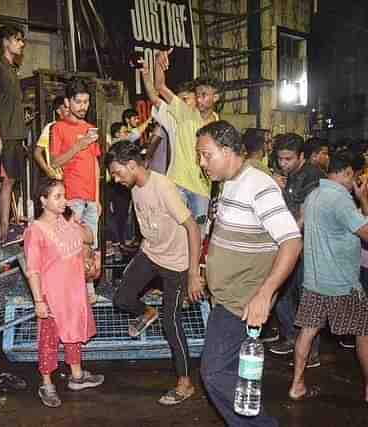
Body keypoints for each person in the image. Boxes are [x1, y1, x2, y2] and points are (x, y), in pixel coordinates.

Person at [196, 121, 302, 426]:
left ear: (228, 151)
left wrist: (265, 293)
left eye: (207, 155)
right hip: (226, 296)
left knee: (214, 372)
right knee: (228, 377)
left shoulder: (259, 185)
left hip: (243, 302)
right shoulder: (228, 180)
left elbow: (292, 242)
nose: (202, 164)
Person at [106, 140, 202, 406]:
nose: (115, 179)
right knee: (122, 298)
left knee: (171, 323)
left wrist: (193, 273)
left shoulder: (163, 188)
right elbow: (149, 224)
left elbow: (193, 228)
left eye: (117, 172)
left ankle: (185, 384)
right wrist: (136, 252)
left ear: (132, 165)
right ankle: (147, 312)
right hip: (151, 253)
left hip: (177, 264)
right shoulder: (135, 187)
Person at [289, 151, 368, 403]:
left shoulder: (314, 195)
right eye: (353, 176)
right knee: (363, 334)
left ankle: (297, 385)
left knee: (307, 333)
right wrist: (363, 199)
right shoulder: (341, 200)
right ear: (346, 173)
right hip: (342, 284)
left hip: (314, 281)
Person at [23, 179, 104, 408]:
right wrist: (39, 300)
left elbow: (89, 238)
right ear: (43, 200)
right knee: (48, 341)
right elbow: (33, 270)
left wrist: (76, 222)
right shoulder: (35, 231)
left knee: (74, 333)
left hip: (74, 291)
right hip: (52, 295)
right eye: (57, 196)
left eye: (64, 195)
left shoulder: (68, 220)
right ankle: (47, 384)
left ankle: (77, 376)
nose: (64, 201)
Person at [269, 133, 325, 362]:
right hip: (289, 242)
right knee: (282, 293)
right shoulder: (287, 174)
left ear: (301, 156)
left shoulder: (312, 176)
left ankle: (310, 350)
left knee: (306, 297)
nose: (283, 164)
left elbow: (304, 215)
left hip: (306, 245)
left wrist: (288, 239)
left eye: (288, 159)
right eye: (280, 159)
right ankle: (292, 337)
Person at [148, 50, 220, 226]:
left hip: (203, 189)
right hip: (178, 184)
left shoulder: (219, 123)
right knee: (176, 233)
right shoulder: (184, 112)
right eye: (198, 95)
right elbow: (160, 86)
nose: (200, 99)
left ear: (216, 97)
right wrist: (158, 63)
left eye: (204, 95)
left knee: (200, 234)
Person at [51, 78, 101, 303]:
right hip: (72, 196)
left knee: (91, 245)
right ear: (67, 102)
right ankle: (70, 292)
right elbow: (54, 161)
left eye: (86, 102)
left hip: (91, 197)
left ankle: (89, 292)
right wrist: (77, 146)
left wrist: (98, 198)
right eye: (78, 102)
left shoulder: (90, 128)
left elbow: (96, 164)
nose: (83, 106)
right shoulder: (59, 128)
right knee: (73, 246)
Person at [0, 25, 26, 246]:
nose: (21, 44)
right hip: (5, 135)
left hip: (16, 134)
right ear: (6, 42)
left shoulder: (12, 69)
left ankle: (5, 230)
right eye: (17, 39)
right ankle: (3, 234)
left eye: (22, 40)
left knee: (7, 183)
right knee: (6, 183)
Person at [33, 96, 68, 180]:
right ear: (58, 111)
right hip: (57, 178)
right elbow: (37, 153)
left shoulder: (76, 127)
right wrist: (47, 170)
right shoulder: (51, 127)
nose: (69, 109)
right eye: (66, 107)